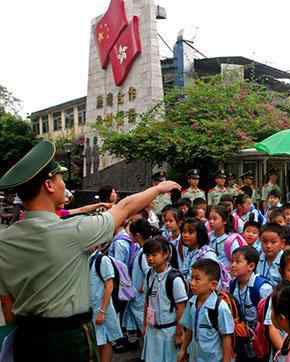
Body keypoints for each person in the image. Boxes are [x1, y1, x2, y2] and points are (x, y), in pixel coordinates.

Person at [0, 140, 181, 361]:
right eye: (60, 179)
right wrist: (157, 189)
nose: (63, 185)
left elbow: (7, 306)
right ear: (49, 185)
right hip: (68, 339)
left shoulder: (4, 240)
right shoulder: (73, 230)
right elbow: (124, 208)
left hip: (26, 339)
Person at [178, 259, 234, 362]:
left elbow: (226, 338)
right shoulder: (191, 302)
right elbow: (190, 329)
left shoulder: (220, 308)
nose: (192, 283)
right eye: (192, 278)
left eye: (197, 279)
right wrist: (183, 350)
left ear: (213, 285)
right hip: (195, 357)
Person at [143, 236, 188, 362]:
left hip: (169, 332)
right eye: (147, 255)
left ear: (166, 254)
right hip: (153, 330)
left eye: (154, 254)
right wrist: (145, 325)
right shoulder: (149, 274)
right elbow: (147, 301)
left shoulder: (174, 279)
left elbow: (181, 308)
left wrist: (179, 333)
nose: (150, 258)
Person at [89, 244, 123, 362]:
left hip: (103, 308)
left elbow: (109, 285)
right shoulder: (86, 260)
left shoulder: (101, 259)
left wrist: (102, 311)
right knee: (98, 341)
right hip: (92, 309)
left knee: (105, 340)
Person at [230, 246, 273, 330]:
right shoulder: (232, 284)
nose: (233, 265)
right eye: (232, 261)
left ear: (251, 266)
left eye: (238, 262)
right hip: (241, 332)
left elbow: (270, 319)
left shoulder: (263, 288)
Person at [208, 205, 241, 271]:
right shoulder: (208, 237)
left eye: (215, 219)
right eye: (209, 219)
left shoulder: (231, 240)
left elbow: (237, 261)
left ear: (224, 221)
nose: (211, 221)